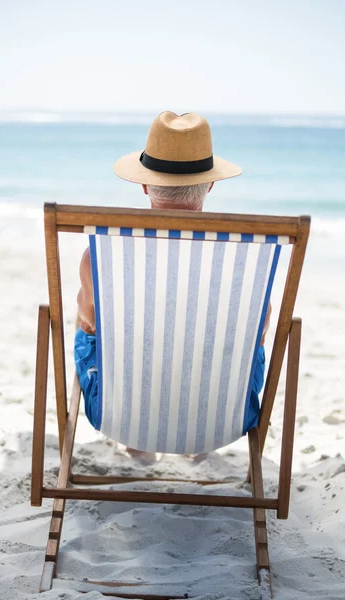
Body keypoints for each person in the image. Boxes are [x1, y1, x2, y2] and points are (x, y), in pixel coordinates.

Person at [75, 111, 271, 448]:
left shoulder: (103, 256)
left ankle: (138, 444)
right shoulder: (239, 264)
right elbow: (261, 329)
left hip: (118, 417)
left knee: (85, 326)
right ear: (210, 184)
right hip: (224, 420)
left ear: (144, 184)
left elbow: (90, 325)